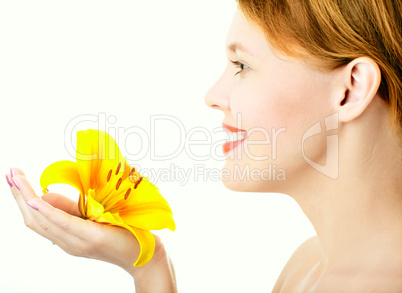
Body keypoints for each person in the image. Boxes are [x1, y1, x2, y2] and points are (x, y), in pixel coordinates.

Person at [6, 0, 402, 292]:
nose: (213, 94)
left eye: (242, 66)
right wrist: (149, 265)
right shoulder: (308, 265)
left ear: (350, 90)